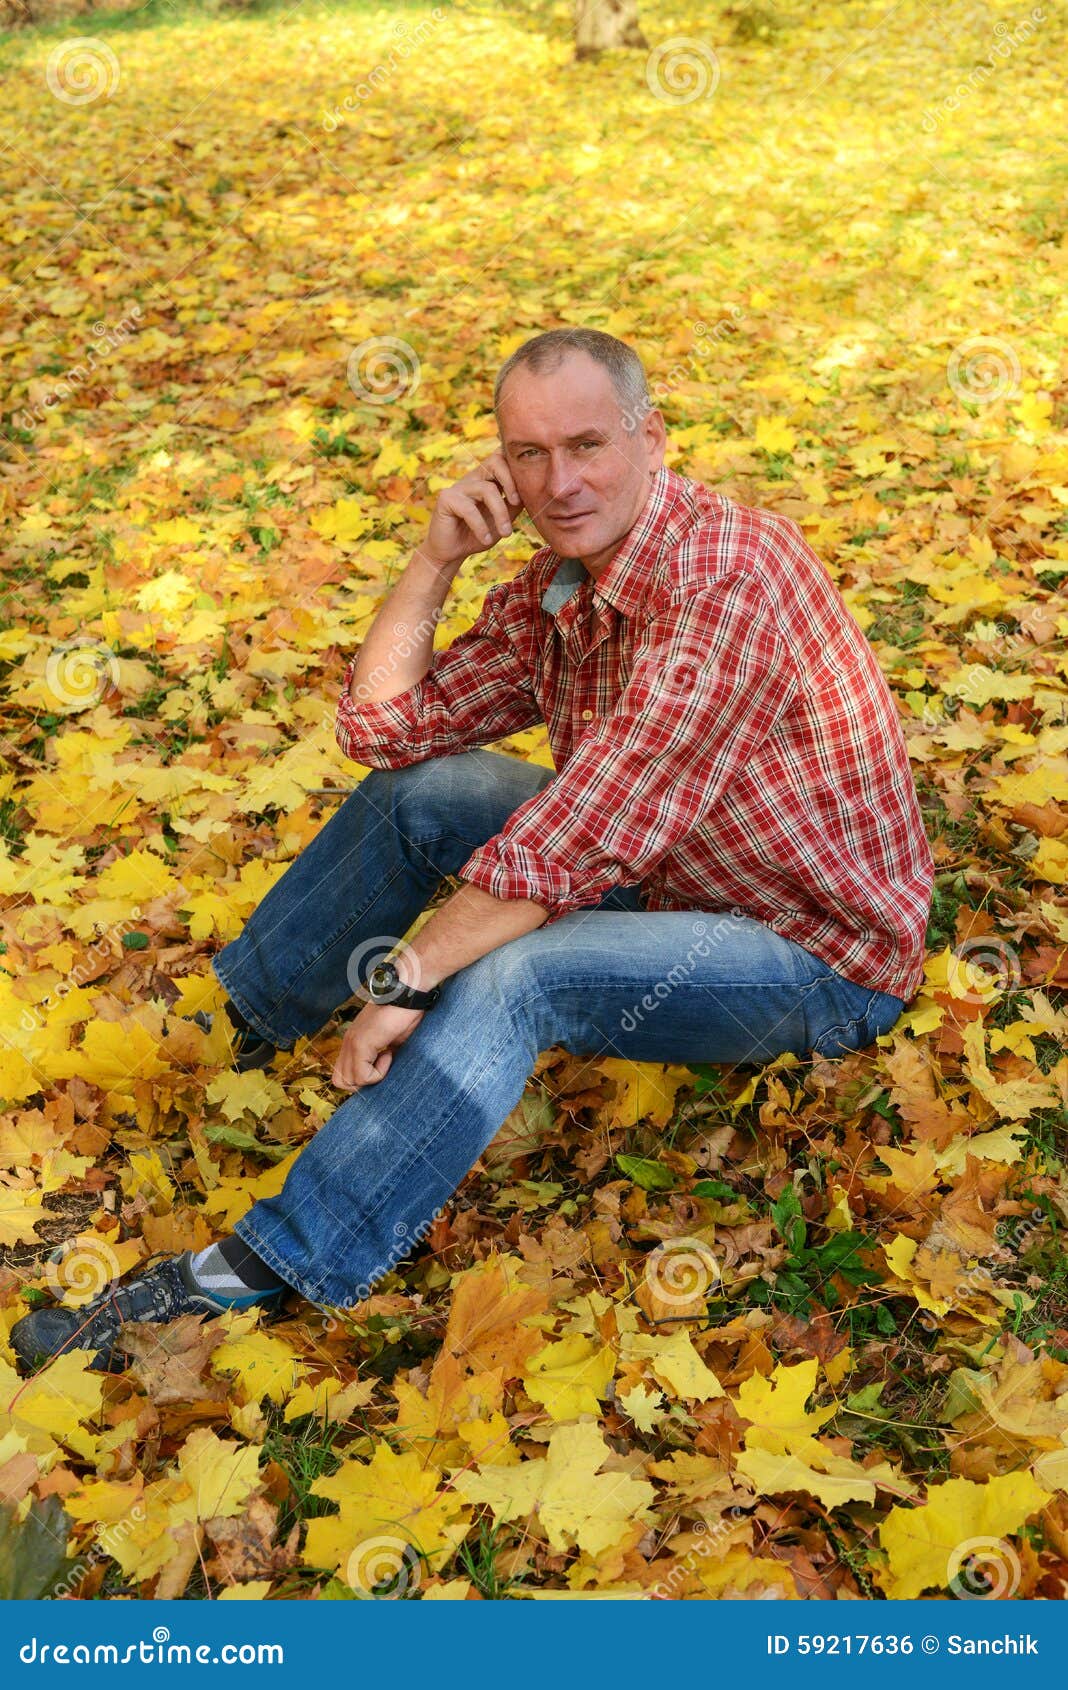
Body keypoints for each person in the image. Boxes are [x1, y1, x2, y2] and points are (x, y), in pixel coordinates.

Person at [11, 327, 934, 1374]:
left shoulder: (729, 582)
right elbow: (384, 730)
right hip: (671, 873)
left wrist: (408, 974)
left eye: (587, 444)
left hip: (810, 954)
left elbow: (577, 837)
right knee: (426, 792)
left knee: (513, 972)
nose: (560, 481)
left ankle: (261, 1267)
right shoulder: (562, 580)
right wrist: (434, 557)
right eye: (528, 455)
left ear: (654, 438)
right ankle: (238, 1030)